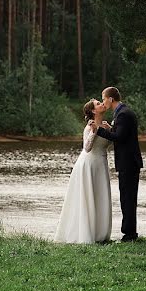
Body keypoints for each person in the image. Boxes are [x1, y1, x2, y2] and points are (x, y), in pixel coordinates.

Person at [54, 99, 113, 244]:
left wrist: (110, 130)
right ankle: (86, 233)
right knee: (88, 197)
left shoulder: (105, 125)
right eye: (98, 104)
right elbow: (87, 148)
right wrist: (94, 132)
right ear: (93, 111)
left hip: (101, 164)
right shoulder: (89, 128)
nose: (101, 104)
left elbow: (107, 143)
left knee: (101, 196)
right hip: (89, 165)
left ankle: (100, 234)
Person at [96, 87, 143, 242]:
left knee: (128, 198)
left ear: (110, 99)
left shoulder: (123, 114)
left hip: (129, 163)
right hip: (129, 163)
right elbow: (120, 132)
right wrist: (111, 128)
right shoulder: (122, 113)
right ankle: (129, 232)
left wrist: (99, 130)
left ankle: (129, 235)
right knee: (127, 197)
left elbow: (120, 137)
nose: (103, 102)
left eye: (103, 99)